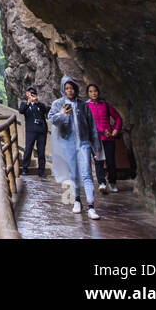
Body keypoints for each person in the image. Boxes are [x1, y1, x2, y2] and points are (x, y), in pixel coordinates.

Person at [48, 75, 105, 219]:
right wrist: (62, 113)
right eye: (67, 88)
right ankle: (77, 201)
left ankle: (91, 206)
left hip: (83, 143)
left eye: (72, 88)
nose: (70, 90)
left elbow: (92, 126)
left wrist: (96, 146)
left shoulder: (83, 105)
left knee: (86, 174)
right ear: (63, 89)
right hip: (67, 144)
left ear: (76, 89)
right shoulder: (57, 104)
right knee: (73, 174)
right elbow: (51, 119)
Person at [86, 84, 122, 193]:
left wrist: (116, 130)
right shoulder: (86, 106)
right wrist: (102, 130)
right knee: (98, 161)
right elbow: (88, 123)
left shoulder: (106, 105)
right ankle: (101, 183)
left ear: (98, 92)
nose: (94, 93)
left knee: (111, 161)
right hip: (95, 138)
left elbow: (118, 118)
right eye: (91, 91)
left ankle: (112, 182)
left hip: (109, 138)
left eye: (95, 91)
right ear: (88, 93)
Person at [18, 86, 49, 176]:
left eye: (33, 93)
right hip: (31, 131)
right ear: (27, 94)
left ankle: (41, 171)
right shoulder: (25, 104)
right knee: (28, 149)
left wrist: (37, 102)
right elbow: (21, 111)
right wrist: (29, 102)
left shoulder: (39, 105)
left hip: (41, 131)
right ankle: (24, 169)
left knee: (41, 151)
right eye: (30, 92)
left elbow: (45, 110)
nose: (32, 94)